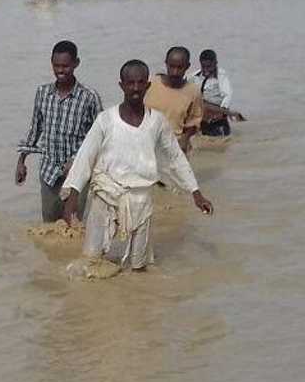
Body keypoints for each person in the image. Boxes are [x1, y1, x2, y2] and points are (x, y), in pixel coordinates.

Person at [60, 60, 213, 271]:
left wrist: (195, 192)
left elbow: (175, 157)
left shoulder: (157, 122)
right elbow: (86, 156)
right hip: (106, 195)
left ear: (148, 86)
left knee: (139, 267)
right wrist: (72, 196)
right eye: (130, 83)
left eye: (140, 83)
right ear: (121, 85)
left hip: (142, 198)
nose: (135, 88)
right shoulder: (106, 120)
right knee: (92, 260)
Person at [17, 40, 104, 222]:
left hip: (77, 174)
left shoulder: (89, 97)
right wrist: (21, 160)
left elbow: (100, 137)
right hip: (49, 172)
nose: (60, 71)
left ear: (76, 63)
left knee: (73, 225)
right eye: (56, 66)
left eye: (65, 66)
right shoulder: (42, 93)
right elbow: (35, 129)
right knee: (49, 226)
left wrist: (78, 161)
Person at [142, 46, 203, 152]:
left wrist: (185, 138)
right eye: (172, 66)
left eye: (180, 68)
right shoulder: (150, 84)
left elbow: (193, 122)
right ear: (166, 63)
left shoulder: (193, 91)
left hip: (175, 147)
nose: (175, 72)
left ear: (187, 67)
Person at [192, 48, 245, 137]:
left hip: (218, 123)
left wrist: (226, 112)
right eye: (203, 66)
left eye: (209, 66)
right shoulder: (194, 77)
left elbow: (227, 97)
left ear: (215, 63)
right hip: (202, 123)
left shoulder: (222, 77)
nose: (206, 70)